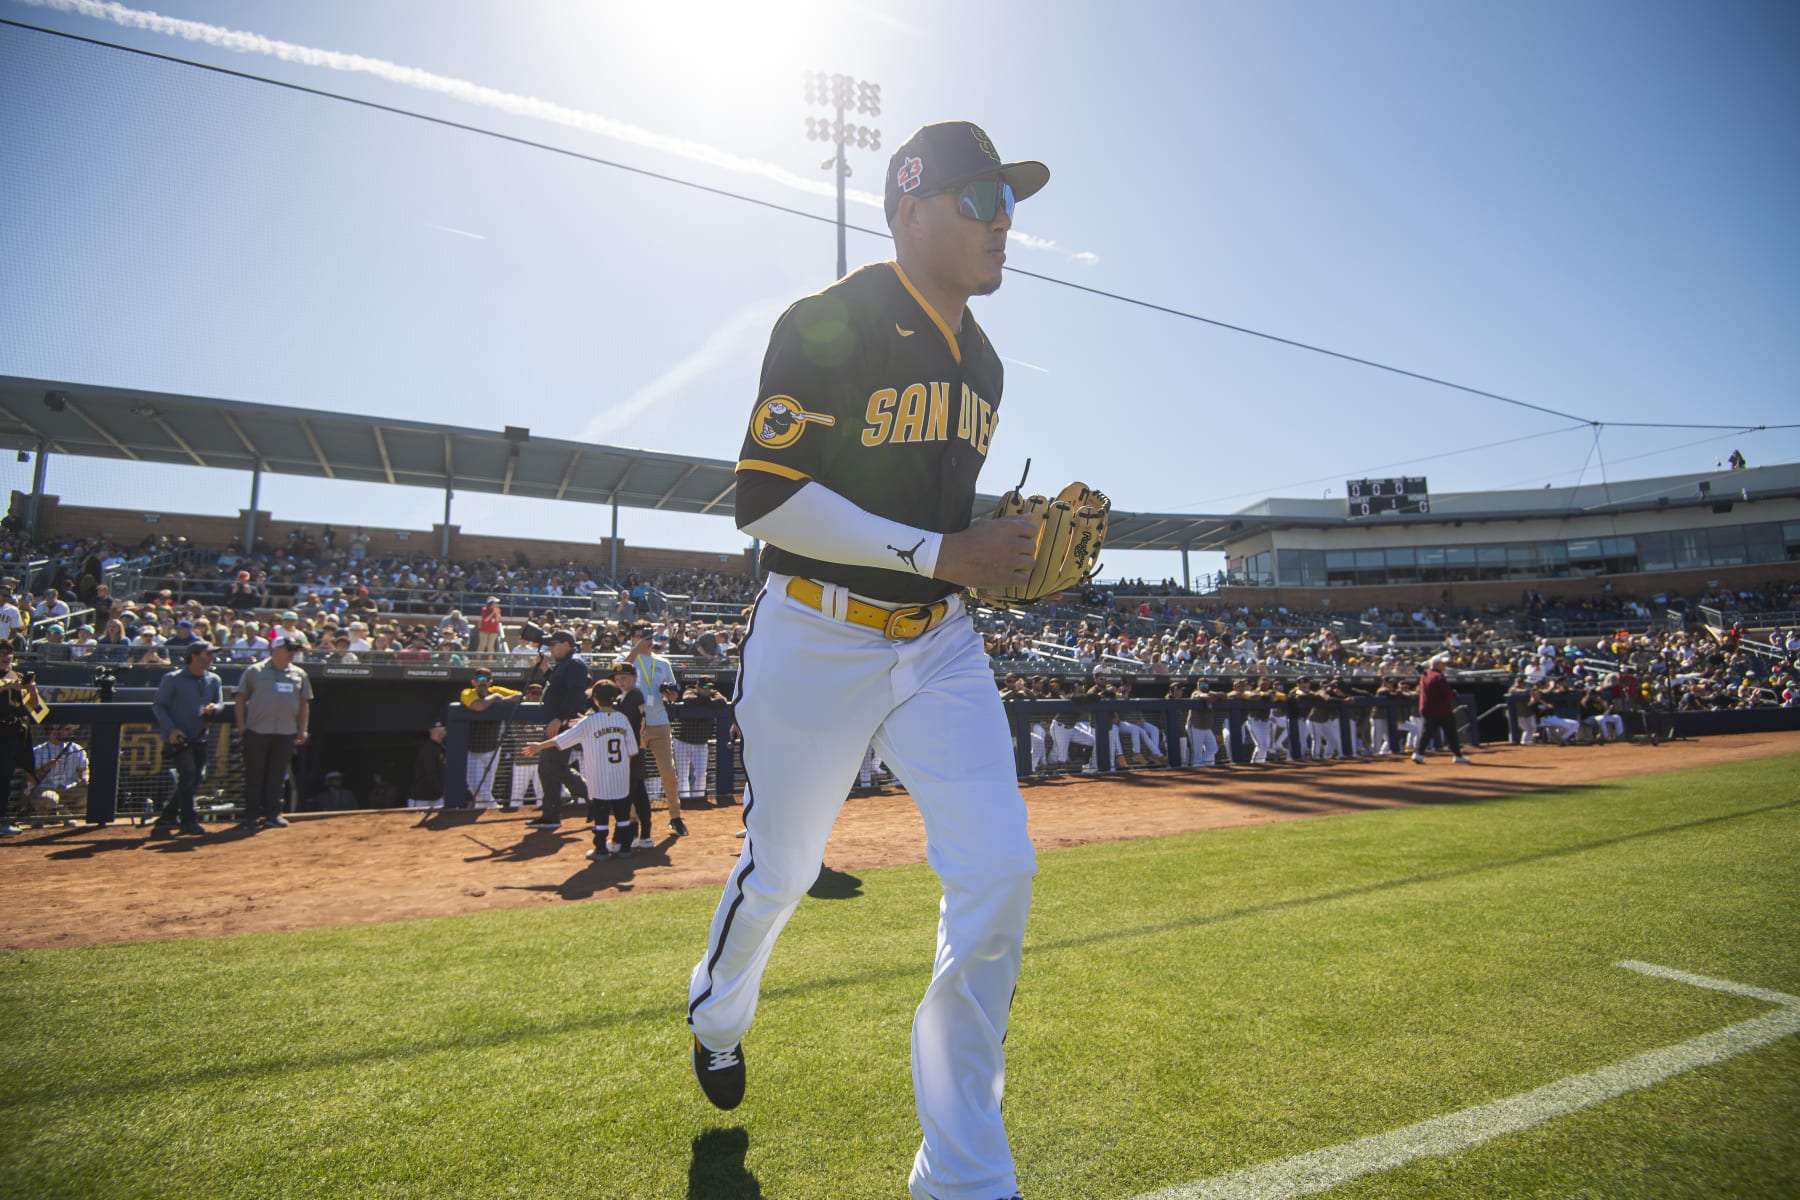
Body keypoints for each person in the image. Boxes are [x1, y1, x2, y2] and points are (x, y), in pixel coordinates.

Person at [686, 119, 1048, 1200]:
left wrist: (1006, 549)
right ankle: (718, 1014)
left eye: (1010, 206)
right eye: (982, 202)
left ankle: (962, 1178)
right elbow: (769, 500)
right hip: (814, 630)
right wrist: (947, 548)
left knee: (998, 870)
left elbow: (938, 520)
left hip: (938, 641)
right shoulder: (828, 321)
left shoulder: (982, 361)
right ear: (910, 205)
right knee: (784, 869)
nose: (1003, 226)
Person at [520, 680, 639, 859]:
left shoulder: (589, 722)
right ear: (615, 698)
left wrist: (539, 746)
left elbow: (561, 740)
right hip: (620, 776)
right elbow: (632, 750)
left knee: (601, 816)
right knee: (622, 815)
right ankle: (625, 848)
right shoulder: (622, 719)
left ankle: (600, 849)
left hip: (599, 778)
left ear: (595, 700)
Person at [235, 635, 312, 831]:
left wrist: (302, 729)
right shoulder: (255, 671)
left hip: (286, 733)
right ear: (276, 650)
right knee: (254, 775)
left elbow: (304, 704)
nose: (292, 654)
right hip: (257, 731)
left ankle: (273, 814)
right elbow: (240, 699)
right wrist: (242, 727)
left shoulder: (299, 674)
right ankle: (251, 816)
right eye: (289, 650)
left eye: (294, 650)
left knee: (277, 776)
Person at [617, 624, 686, 835]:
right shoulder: (625, 658)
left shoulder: (663, 662)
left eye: (648, 636)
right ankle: (631, 818)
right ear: (632, 637)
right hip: (632, 725)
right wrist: (636, 649)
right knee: (632, 775)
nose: (645, 639)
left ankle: (675, 816)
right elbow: (616, 677)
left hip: (659, 722)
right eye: (640, 635)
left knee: (668, 772)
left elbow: (675, 690)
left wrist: (673, 694)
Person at [148, 641, 223, 836]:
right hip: (178, 739)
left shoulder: (214, 679)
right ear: (194, 656)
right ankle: (188, 821)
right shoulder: (172, 679)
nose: (212, 658)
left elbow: (220, 702)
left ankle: (168, 816)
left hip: (200, 737)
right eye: (208, 654)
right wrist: (171, 730)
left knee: (195, 778)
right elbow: (159, 706)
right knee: (189, 775)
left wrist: (214, 708)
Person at [531, 630, 590, 829]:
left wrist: (561, 719)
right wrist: (546, 670)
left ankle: (596, 798)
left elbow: (576, 696)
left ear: (566, 644)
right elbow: (558, 689)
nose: (551, 648)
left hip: (562, 725)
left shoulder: (575, 664)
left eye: (554, 644)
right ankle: (551, 814)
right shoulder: (565, 664)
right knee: (547, 768)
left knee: (554, 767)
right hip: (554, 724)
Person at [459, 669, 521, 807]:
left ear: (490, 681)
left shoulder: (496, 689)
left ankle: (481, 817)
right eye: (479, 680)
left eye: (485, 680)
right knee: (476, 788)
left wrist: (502, 699)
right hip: (472, 750)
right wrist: (494, 698)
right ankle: (495, 809)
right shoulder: (468, 692)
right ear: (473, 682)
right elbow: (478, 706)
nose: (482, 683)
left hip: (492, 748)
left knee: (487, 788)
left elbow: (520, 695)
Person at [0, 645, 43, 836]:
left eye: (8, 653)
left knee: (4, 778)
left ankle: (1, 821)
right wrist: (8, 686)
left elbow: (38, 711)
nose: (5, 656)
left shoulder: (17, 676)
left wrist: (31, 690)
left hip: (11, 735)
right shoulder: (10, 681)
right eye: (1, 653)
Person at [1412, 653, 1471, 765]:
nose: (1444, 666)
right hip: (1441, 709)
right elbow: (1446, 693)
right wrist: (1453, 694)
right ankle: (1458, 755)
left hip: (1427, 708)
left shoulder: (1425, 675)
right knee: (1451, 733)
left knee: (1426, 733)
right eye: (1442, 664)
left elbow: (1421, 671)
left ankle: (1418, 754)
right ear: (1437, 664)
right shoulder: (1438, 676)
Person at [30, 722, 89, 827]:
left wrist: (84, 778)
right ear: (54, 731)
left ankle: (66, 814)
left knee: (91, 790)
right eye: (67, 729)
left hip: (69, 789)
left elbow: (83, 769)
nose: (71, 733)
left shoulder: (76, 749)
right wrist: (47, 766)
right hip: (46, 788)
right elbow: (32, 779)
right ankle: (42, 816)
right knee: (48, 799)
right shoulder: (38, 751)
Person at [409, 719, 446, 808]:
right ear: (430, 731)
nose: (439, 732)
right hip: (421, 798)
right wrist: (442, 791)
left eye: (441, 729)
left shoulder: (443, 748)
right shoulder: (427, 748)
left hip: (438, 798)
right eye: (436, 730)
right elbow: (430, 773)